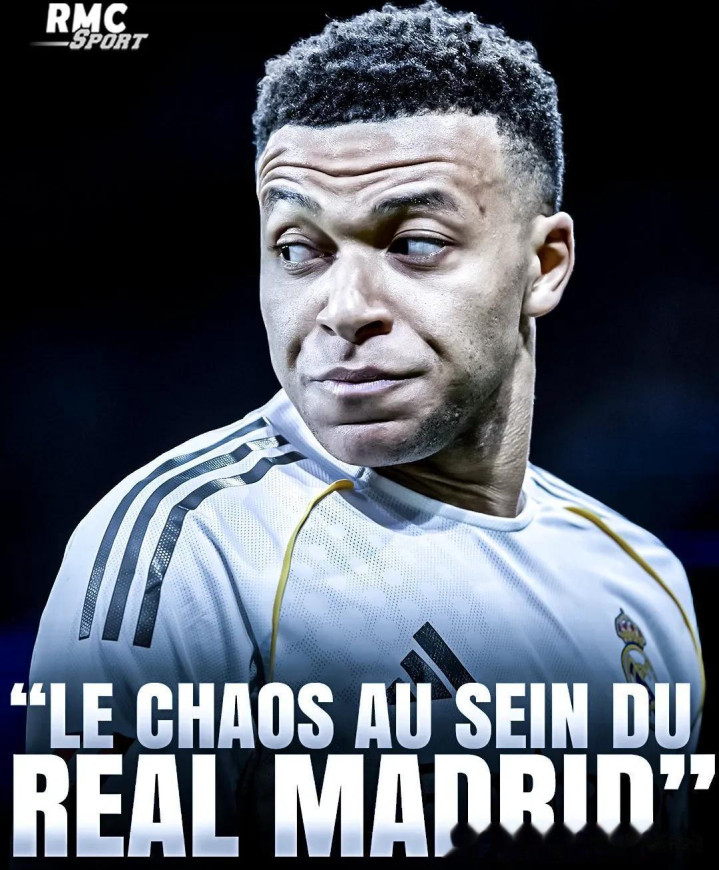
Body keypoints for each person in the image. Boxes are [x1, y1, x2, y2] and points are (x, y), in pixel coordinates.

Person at [26, 1, 704, 862]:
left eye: (414, 243)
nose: (343, 309)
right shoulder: (193, 550)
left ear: (543, 266)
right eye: (298, 249)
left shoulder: (642, 579)